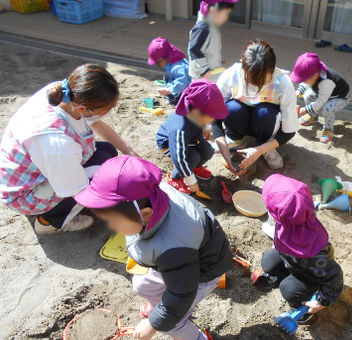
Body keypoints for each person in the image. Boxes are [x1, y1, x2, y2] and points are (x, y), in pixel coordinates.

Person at [74, 156, 232, 340]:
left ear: (145, 215)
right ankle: (161, 308)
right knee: (141, 285)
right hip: (180, 264)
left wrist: (153, 323)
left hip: (203, 271)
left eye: (113, 222)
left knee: (171, 323)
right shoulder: (151, 195)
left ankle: (199, 337)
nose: (111, 228)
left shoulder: (173, 247)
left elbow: (182, 293)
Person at [0, 64, 137, 235]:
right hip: (25, 194)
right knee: (102, 173)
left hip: (38, 169)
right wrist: (127, 215)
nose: (109, 112)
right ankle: (50, 220)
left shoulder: (64, 93)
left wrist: (131, 153)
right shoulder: (56, 143)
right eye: (107, 109)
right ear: (82, 108)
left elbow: (96, 123)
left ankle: (61, 207)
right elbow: (80, 190)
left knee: (108, 152)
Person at [254, 174, 343, 324]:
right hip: (290, 258)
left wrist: (321, 301)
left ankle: (302, 310)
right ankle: (279, 275)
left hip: (310, 272)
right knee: (268, 261)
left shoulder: (314, 254)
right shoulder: (298, 214)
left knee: (289, 289)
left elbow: (334, 276)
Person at [214, 40, 298, 172]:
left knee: (265, 113)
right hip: (241, 120)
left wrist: (259, 150)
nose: (255, 86)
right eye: (251, 80)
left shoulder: (283, 83)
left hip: (266, 124)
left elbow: (289, 131)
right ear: (243, 64)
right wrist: (223, 147)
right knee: (232, 109)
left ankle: (267, 146)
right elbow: (214, 115)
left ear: (274, 68)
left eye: (262, 81)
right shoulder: (232, 74)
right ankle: (237, 139)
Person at [156, 80, 228, 194]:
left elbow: (202, 122)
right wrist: (191, 180)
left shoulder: (195, 115)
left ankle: (194, 168)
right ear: (196, 112)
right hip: (170, 144)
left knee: (208, 150)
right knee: (193, 157)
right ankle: (174, 178)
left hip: (191, 138)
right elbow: (179, 158)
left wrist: (205, 128)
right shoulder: (179, 128)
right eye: (211, 116)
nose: (212, 120)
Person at [291, 52, 350, 144]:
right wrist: (299, 91)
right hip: (323, 92)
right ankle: (313, 116)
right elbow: (305, 82)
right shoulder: (314, 74)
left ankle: (328, 129)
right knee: (307, 96)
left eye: (304, 79)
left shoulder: (326, 82)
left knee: (328, 108)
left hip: (340, 97)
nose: (303, 81)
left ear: (314, 76)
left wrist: (304, 110)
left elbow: (321, 102)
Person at [188, 0, 238, 80]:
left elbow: (209, 48)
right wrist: (204, 70)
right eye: (225, 13)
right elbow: (194, 49)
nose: (226, 17)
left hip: (211, 72)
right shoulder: (203, 28)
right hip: (202, 76)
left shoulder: (211, 26)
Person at [147, 36, 192, 106]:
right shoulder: (171, 60)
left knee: (178, 97)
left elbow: (182, 82)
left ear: (162, 59)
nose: (157, 64)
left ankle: (176, 100)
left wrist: (169, 90)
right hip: (179, 87)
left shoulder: (179, 67)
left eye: (157, 62)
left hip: (186, 91)